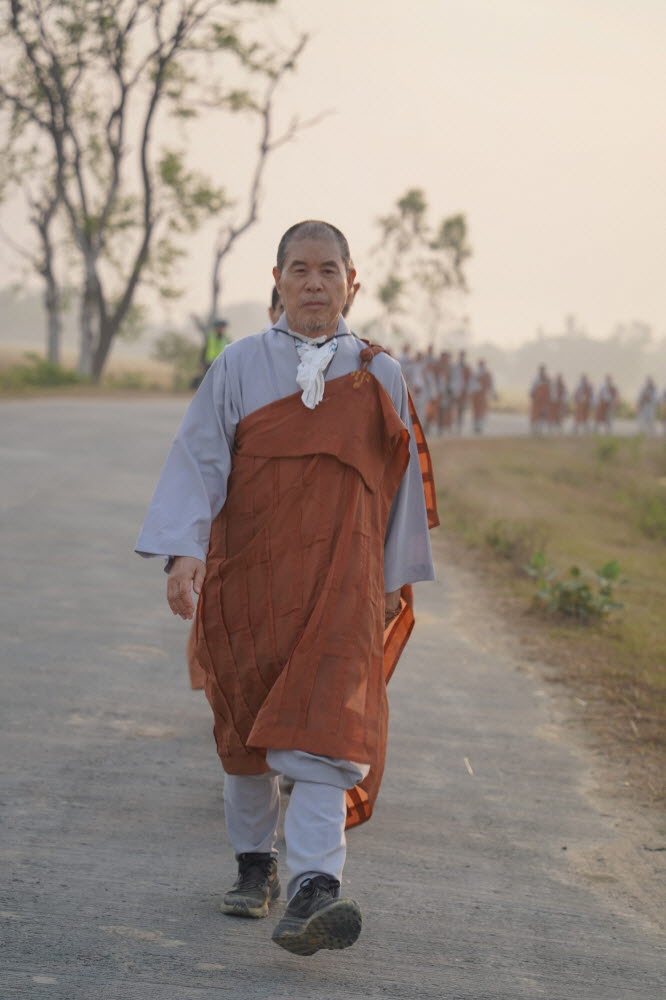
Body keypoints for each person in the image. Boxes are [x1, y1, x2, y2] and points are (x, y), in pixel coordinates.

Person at [135, 220, 436, 957]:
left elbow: (396, 488)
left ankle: (314, 889)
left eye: (328, 270)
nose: (313, 283)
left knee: (326, 733)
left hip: (342, 585)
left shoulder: (381, 375)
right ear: (276, 281)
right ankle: (254, 863)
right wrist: (183, 554)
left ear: (351, 283)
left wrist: (393, 581)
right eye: (298, 269)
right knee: (247, 732)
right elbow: (199, 458)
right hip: (252, 580)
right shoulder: (237, 364)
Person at [469, 359, 495, 434]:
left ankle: (480, 426)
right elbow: (471, 384)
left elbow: (491, 384)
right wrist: (471, 392)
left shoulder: (487, 373)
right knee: (475, 410)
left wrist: (492, 393)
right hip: (476, 394)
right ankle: (476, 426)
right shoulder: (475, 373)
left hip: (483, 394)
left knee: (482, 410)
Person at [529, 365, 551, 434]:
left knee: (543, 414)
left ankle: (540, 429)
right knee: (535, 414)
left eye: (543, 370)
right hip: (537, 400)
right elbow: (532, 388)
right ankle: (534, 428)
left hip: (544, 401)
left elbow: (549, 389)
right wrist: (532, 394)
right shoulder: (536, 379)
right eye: (541, 370)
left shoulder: (547, 379)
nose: (542, 371)